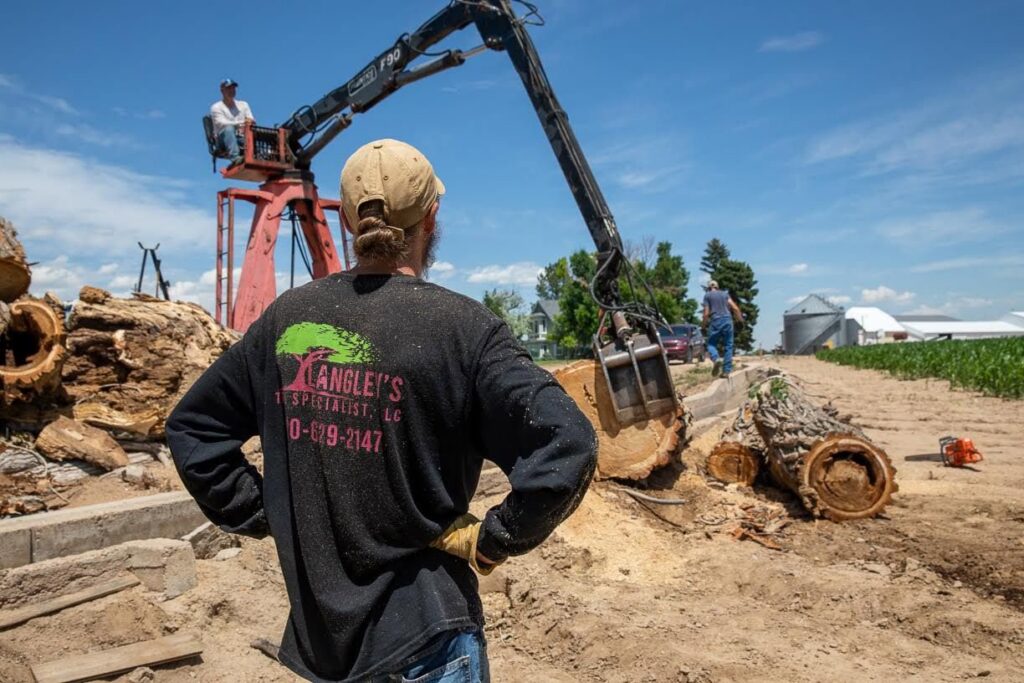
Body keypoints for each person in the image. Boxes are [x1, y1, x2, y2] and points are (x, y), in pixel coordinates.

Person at [167, 138, 597, 682]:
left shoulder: (286, 322)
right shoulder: (463, 331)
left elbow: (192, 429)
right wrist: (497, 538)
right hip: (428, 639)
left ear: (346, 220)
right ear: (432, 217)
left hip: (324, 648)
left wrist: (270, 512)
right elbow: (568, 443)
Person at [702, 279, 744, 378]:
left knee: (711, 344)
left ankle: (716, 358)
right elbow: (735, 308)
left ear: (708, 288)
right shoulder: (725, 294)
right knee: (728, 346)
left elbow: (706, 313)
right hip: (727, 320)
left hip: (716, 321)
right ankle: (726, 371)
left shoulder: (707, 296)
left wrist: (703, 326)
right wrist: (740, 321)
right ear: (717, 287)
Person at [209, 78, 254, 164]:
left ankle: (263, 156)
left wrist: (249, 123)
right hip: (222, 140)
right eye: (228, 88)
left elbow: (250, 119)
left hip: (241, 137)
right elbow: (221, 123)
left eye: (233, 88)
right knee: (229, 129)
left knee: (257, 132)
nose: (231, 90)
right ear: (222, 91)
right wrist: (241, 124)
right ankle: (235, 158)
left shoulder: (243, 104)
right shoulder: (216, 107)